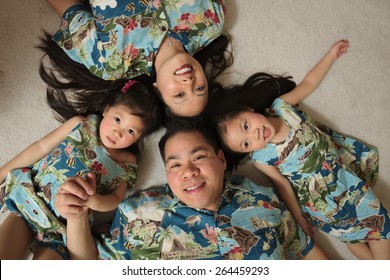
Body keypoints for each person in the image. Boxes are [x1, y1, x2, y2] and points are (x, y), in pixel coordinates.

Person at [208, 39, 390, 259]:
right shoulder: (261, 158)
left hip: (341, 176)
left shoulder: (282, 108)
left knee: (355, 235)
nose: (254, 135)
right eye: (246, 144)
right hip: (321, 202)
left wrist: (331, 55)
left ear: (248, 109)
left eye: (246, 125)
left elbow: (309, 83)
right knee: (381, 224)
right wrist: (299, 218)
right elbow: (283, 185)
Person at [54, 119, 328, 260]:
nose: (188, 171)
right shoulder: (139, 213)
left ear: (221, 161)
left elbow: (308, 253)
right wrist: (76, 215)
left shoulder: (263, 201)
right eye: (175, 165)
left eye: (198, 157)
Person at [0, 79, 162, 259]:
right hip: (30, 199)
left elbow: (115, 199)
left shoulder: (128, 164)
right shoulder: (81, 124)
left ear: (139, 137)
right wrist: (3, 171)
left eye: (131, 131)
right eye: (117, 119)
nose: (118, 132)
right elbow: (40, 148)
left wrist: (94, 201)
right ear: (107, 110)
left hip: (64, 227)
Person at [42, 0, 232, 117]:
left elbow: (68, 9)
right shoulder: (211, 22)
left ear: (158, 90)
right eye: (200, 88)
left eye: (180, 94)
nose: (189, 82)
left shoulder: (111, 62)